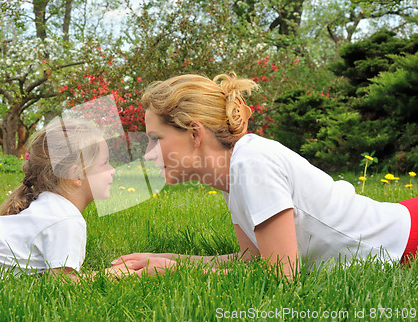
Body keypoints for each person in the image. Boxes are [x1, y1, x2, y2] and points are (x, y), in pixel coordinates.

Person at [111, 73, 418, 277]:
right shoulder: (231, 177)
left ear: (194, 133)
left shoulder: (252, 165)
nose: (149, 153)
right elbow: (252, 261)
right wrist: (169, 258)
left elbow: (282, 278)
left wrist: (171, 272)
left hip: (408, 242)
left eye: (156, 139)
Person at [0, 118, 126, 279]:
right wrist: (109, 275)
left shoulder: (50, 203)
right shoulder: (67, 220)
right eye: (105, 163)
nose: (113, 170)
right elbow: (63, 283)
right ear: (77, 175)